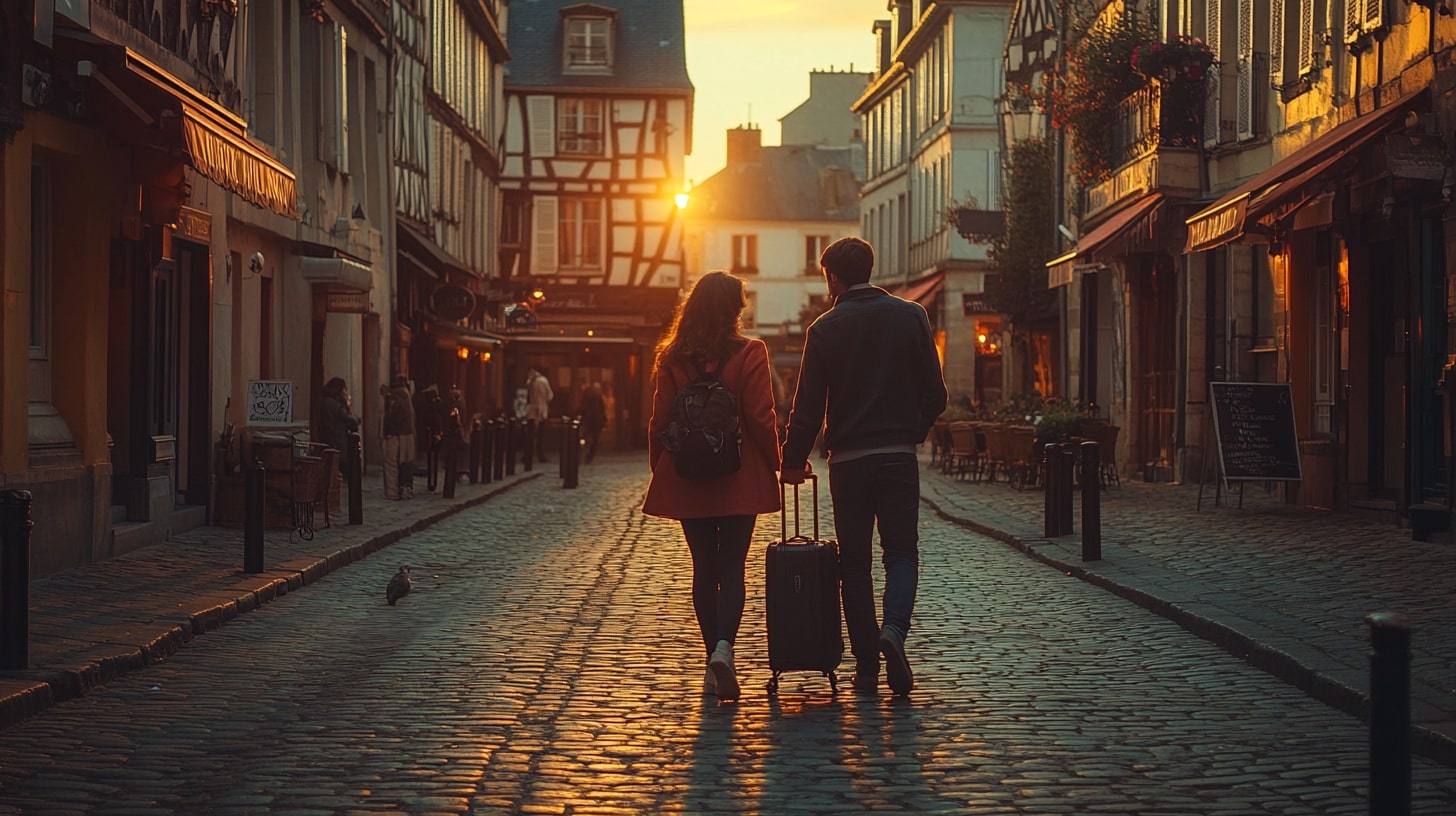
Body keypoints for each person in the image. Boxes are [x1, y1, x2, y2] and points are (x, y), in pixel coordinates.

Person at [780, 237, 948, 697]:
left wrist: (792, 461)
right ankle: (894, 630)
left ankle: (867, 666)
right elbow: (937, 395)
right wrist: (910, 432)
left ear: (833, 277)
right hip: (897, 457)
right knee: (901, 553)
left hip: (849, 464)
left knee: (853, 565)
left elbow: (808, 408)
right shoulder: (912, 316)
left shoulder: (824, 329)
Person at [642, 271, 781, 701]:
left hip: (688, 476)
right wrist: (778, 463)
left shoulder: (672, 357)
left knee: (703, 568)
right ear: (734, 309)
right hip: (739, 476)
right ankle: (725, 648)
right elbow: (760, 416)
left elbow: (659, 421)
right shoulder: (750, 352)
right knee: (733, 567)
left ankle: (710, 658)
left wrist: (661, 468)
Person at [381, 376, 417, 500]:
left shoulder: (396, 396)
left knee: (391, 463)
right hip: (407, 434)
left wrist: (388, 431)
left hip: (396, 434)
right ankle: (405, 489)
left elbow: (394, 416)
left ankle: (392, 492)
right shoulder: (407, 396)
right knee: (405, 463)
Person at [319, 377, 360, 470]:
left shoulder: (324, 401)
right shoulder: (334, 404)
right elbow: (349, 419)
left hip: (328, 438)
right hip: (337, 440)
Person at [525, 368, 554, 463]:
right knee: (540, 435)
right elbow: (549, 395)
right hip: (541, 411)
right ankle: (540, 455)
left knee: (530, 435)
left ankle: (527, 455)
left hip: (531, 411)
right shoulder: (543, 381)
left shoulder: (530, 381)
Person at [579, 382, 608, 464]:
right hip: (593, 421)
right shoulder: (597, 398)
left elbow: (584, 408)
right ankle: (589, 454)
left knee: (591, 438)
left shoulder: (591, 398)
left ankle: (588, 454)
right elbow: (602, 410)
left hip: (592, 421)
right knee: (593, 439)